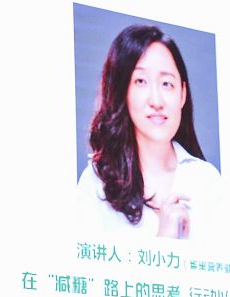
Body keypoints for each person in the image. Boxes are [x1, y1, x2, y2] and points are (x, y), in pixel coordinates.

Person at [77, 24, 221, 239]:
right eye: (141, 81)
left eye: (166, 84)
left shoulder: (207, 181)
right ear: (122, 91)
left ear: (182, 94)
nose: (156, 101)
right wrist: (163, 243)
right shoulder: (96, 183)